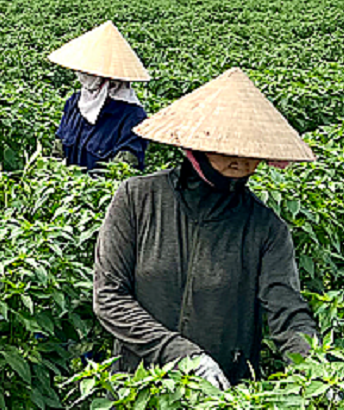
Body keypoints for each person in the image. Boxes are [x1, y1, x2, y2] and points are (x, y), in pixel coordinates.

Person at [93, 67, 318, 390]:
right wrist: (182, 355)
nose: (240, 160)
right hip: (139, 386)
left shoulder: (265, 229)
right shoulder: (137, 199)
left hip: (221, 389)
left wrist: (314, 373)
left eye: (250, 150)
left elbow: (287, 310)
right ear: (195, 144)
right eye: (227, 146)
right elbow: (109, 298)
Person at [48, 21, 149, 170]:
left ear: (110, 79)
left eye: (89, 74)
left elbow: (122, 171)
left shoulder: (132, 118)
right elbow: (58, 151)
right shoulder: (75, 103)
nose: (82, 77)